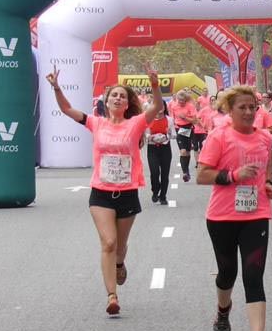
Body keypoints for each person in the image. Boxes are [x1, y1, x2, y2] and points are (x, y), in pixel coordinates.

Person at [46, 66, 163, 316]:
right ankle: (112, 296)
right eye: (113, 95)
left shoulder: (136, 123)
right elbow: (67, 110)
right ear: (106, 102)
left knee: (119, 246)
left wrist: (155, 86)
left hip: (127, 192)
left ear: (127, 102)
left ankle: (120, 263)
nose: (118, 98)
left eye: (122, 95)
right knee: (108, 242)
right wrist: (57, 87)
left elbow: (155, 108)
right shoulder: (95, 123)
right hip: (101, 192)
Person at [196, 85, 272, 331]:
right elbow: (202, 175)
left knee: (253, 275)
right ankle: (223, 308)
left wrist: (269, 183)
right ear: (229, 110)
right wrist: (233, 175)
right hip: (222, 217)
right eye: (241, 107)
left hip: (256, 214)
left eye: (252, 107)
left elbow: (269, 164)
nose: (248, 112)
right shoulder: (219, 136)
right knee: (227, 272)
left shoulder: (265, 138)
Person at [146, 100, 172, 205]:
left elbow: (173, 134)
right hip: (152, 148)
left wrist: (166, 137)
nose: (160, 108)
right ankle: (155, 190)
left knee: (165, 174)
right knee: (154, 172)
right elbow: (145, 134)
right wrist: (151, 137)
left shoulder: (169, 120)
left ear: (165, 107)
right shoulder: (148, 119)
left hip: (165, 148)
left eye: (162, 106)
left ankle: (163, 196)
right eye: (158, 106)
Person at [171, 91, 199, 182]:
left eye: (182, 100)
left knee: (187, 152)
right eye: (179, 100)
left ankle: (187, 172)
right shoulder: (174, 106)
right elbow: (172, 118)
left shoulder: (190, 106)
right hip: (179, 129)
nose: (180, 102)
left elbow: (195, 121)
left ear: (186, 100)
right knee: (183, 151)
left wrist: (185, 118)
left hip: (189, 129)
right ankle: (185, 173)